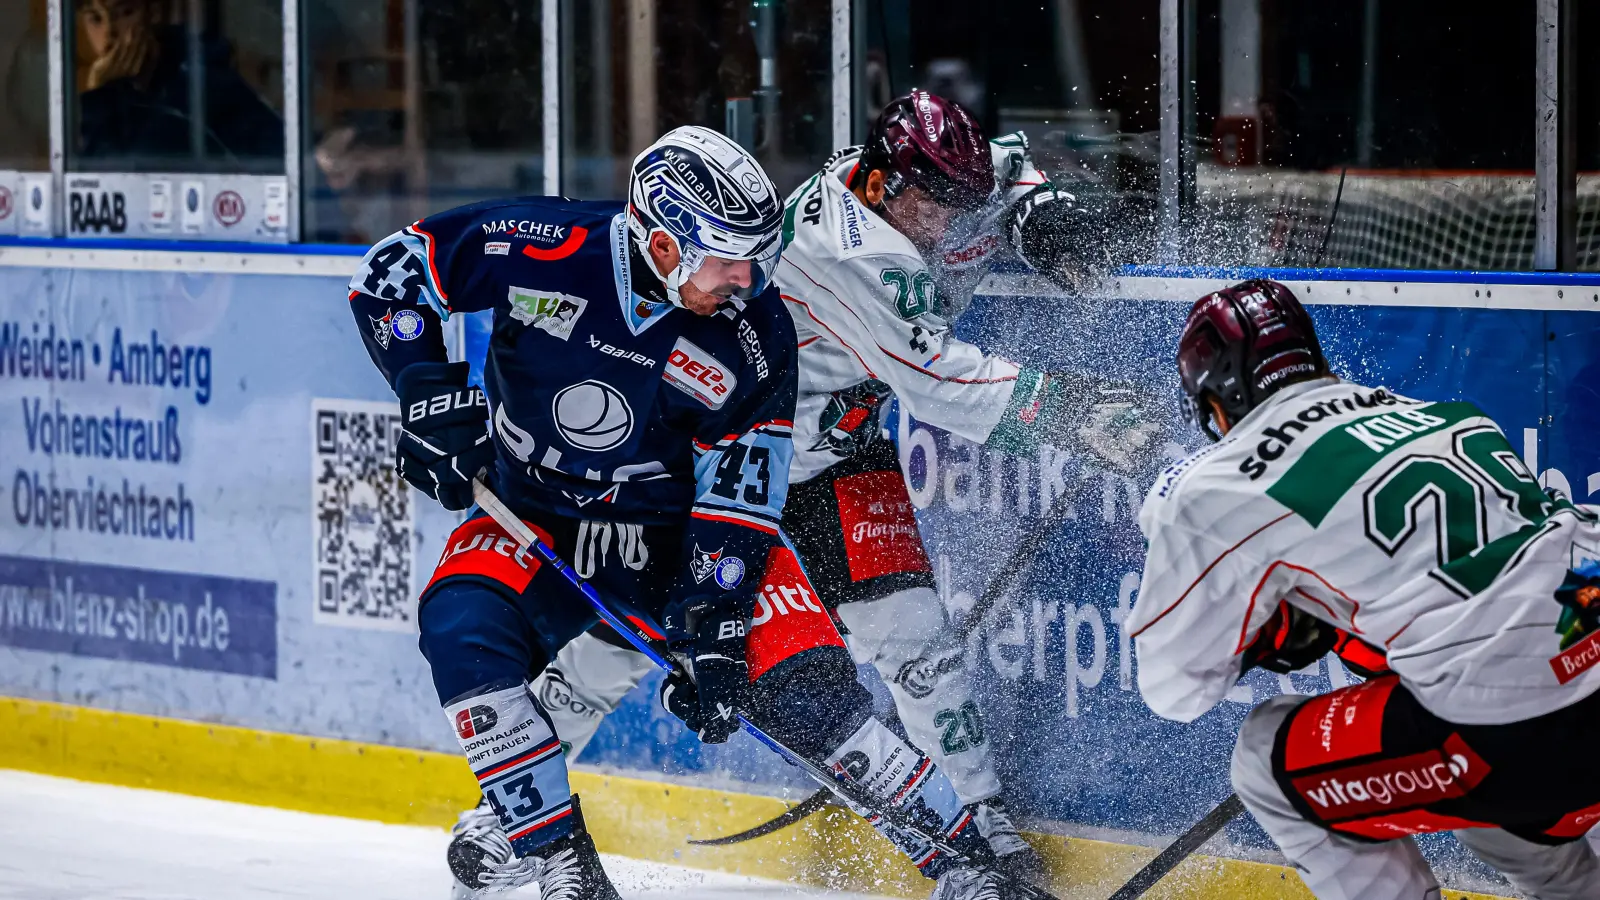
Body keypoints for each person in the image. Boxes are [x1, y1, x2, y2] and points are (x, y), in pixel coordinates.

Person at [512, 88, 1157, 885]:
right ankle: (508, 813)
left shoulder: (924, 175)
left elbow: (1006, 170)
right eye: (933, 208)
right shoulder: (847, 250)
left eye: (960, 206)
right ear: (882, 186)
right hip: (736, 462)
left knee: (918, 640)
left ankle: (984, 829)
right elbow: (939, 385)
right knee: (637, 639)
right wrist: (1076, 412)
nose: (948, 226)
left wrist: (1039, 214)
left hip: (840, 452)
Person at [350, 126, 1006, 900]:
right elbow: (392, 274)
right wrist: (423, 385)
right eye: (727, 256)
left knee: (811, 696)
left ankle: (968, 863)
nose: (748, 276)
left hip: (674, 534)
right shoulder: (546, 245)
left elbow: (741, 495)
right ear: (662, 242)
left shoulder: (757, 334)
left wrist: (718, 621)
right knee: (460, 631)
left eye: (757, 253)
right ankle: (559, 861)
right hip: (534, 514)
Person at [1128, 279, 1600, 900]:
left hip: (1525, 728)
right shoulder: (1432, 411)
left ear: (1219, 401)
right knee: (1482, 787)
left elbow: (1173, 689)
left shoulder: (1219, 482)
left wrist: (1263, 638)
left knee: (1263, 759)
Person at [75, 0, 283, 166]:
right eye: (95, 19)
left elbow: (130, 176)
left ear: (153, 13)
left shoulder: (200, 79)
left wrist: (99, 96)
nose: (108, 33)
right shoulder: (118, 92)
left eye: (125, 13)